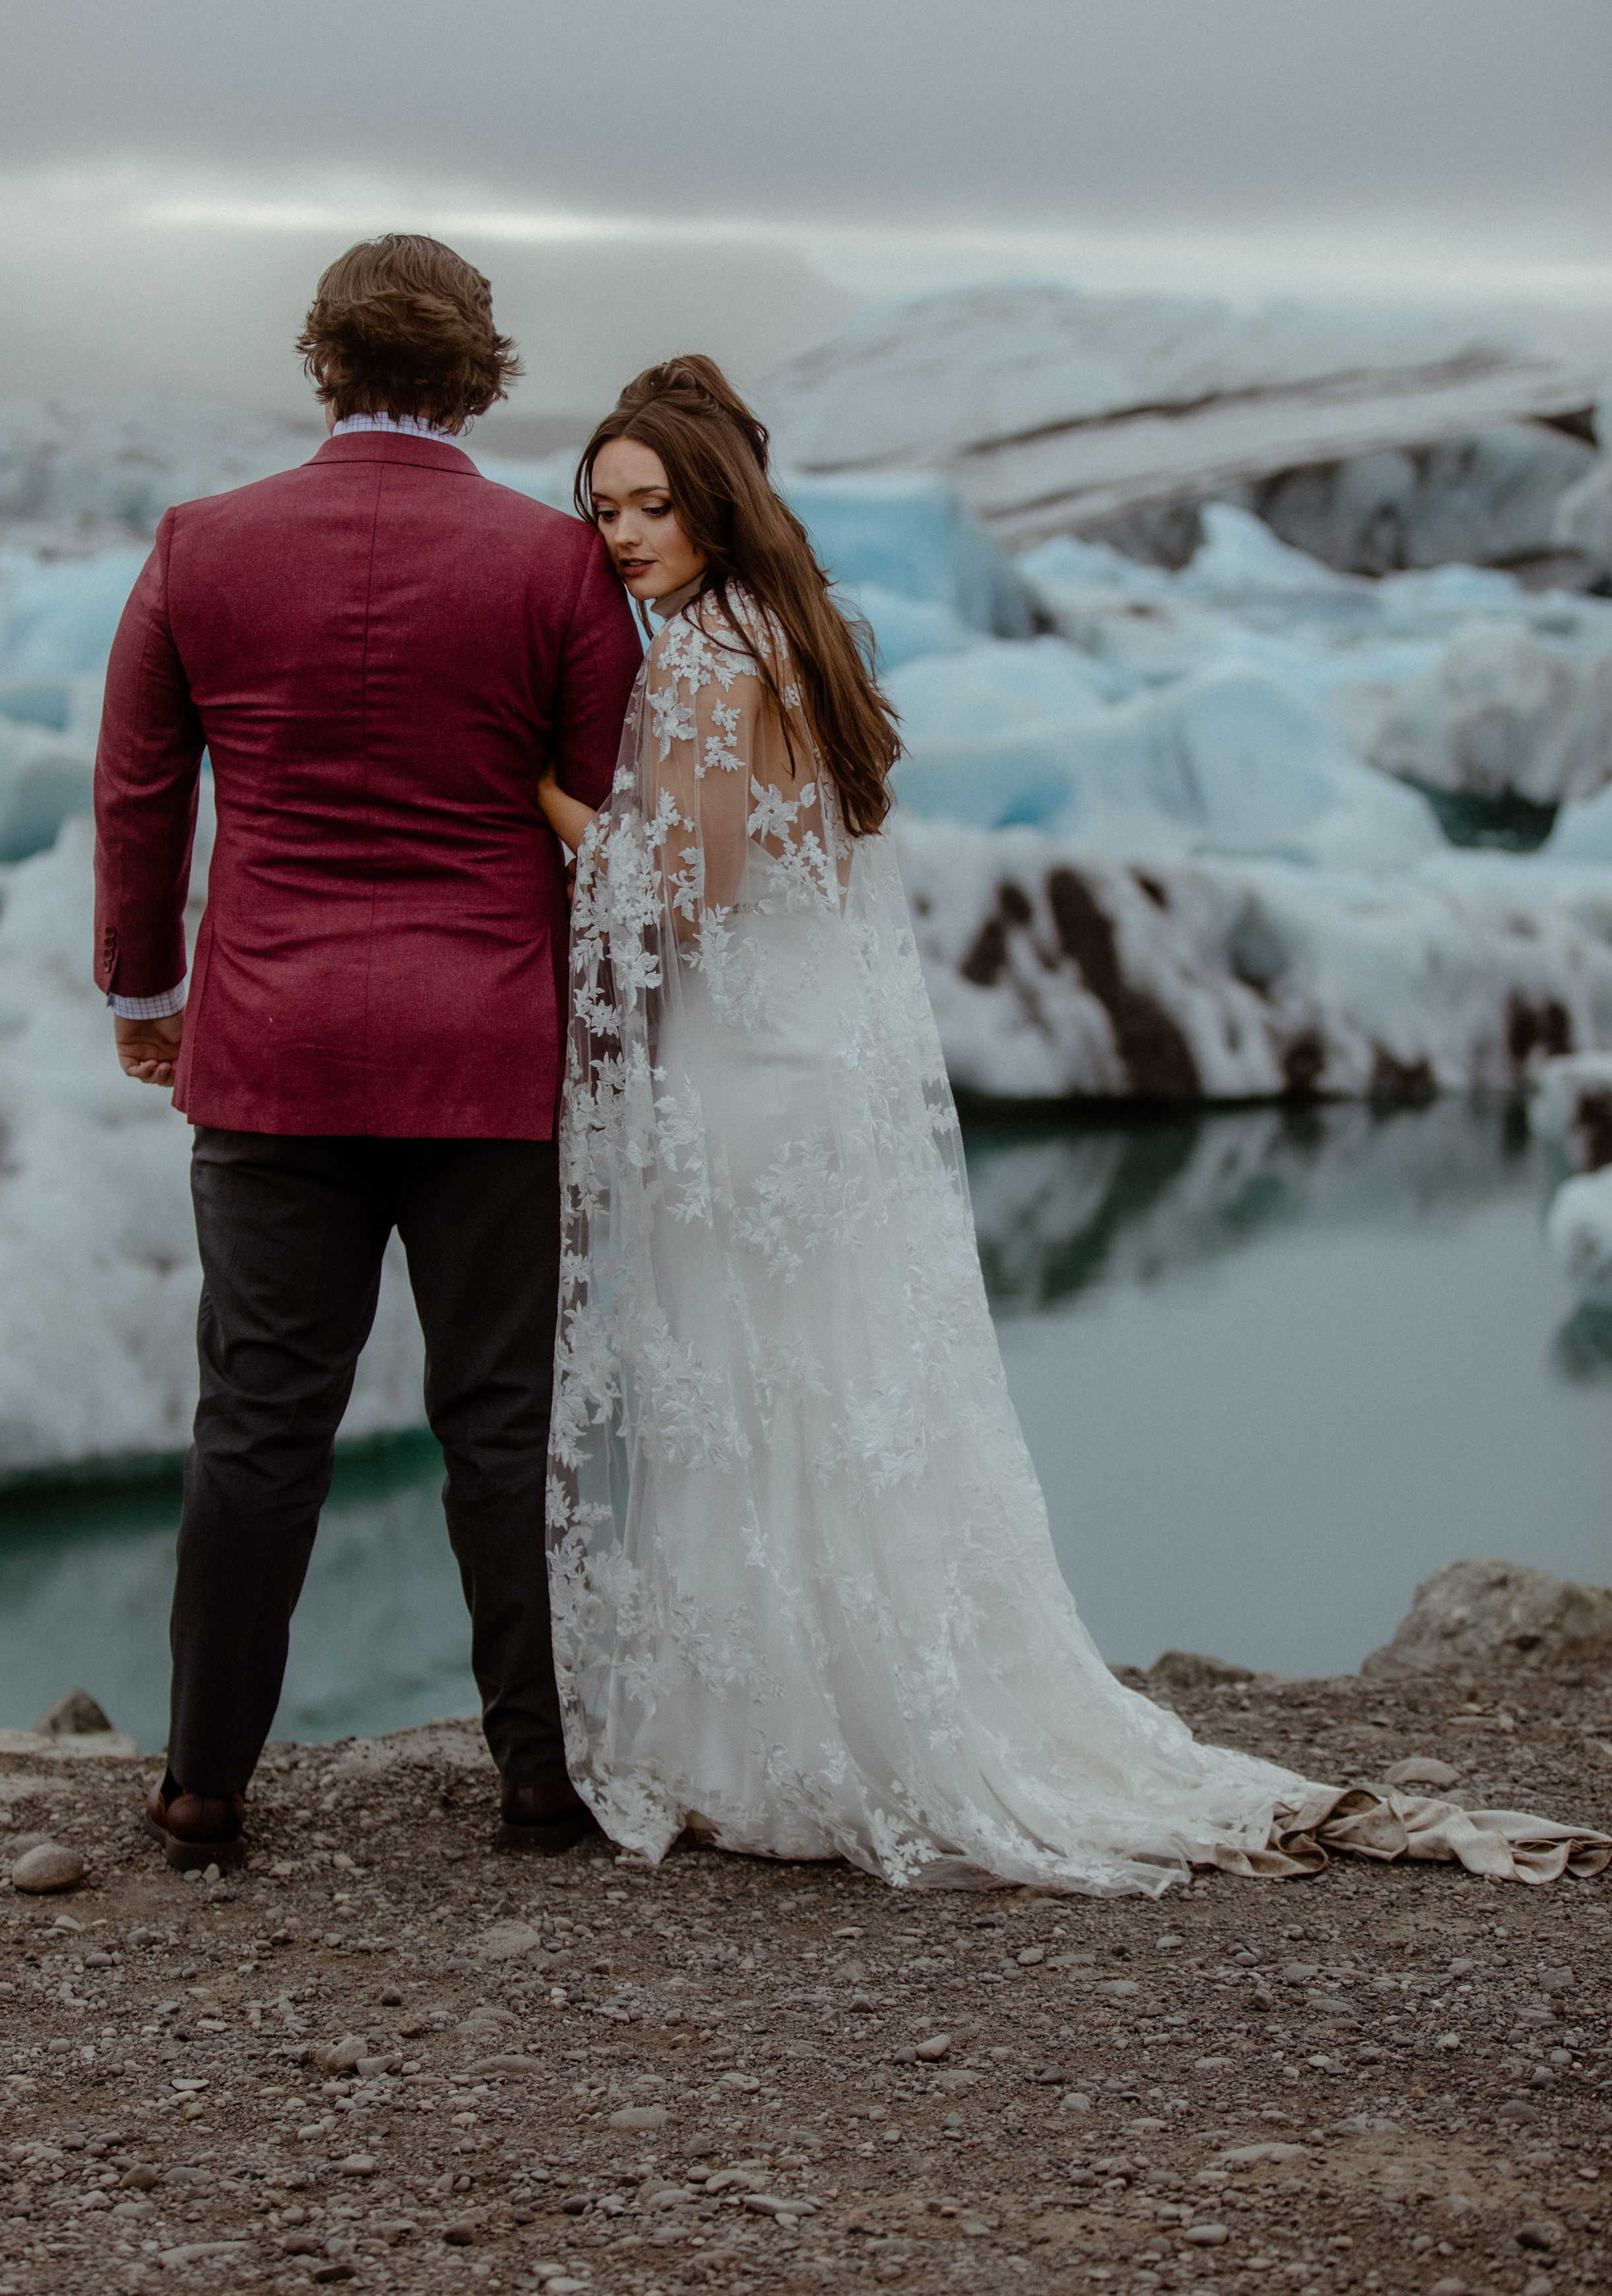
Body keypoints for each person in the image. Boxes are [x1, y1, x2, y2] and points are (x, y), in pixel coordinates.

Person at [537, 357, 1609, 1894]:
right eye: (604, 510)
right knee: (823, 1397)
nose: (623, 535)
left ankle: (771, 1742)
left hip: (747, 1086)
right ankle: (835, 1712)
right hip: (805, 1076)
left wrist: (549, 809)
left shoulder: (706, 659)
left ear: (713, 505)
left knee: (757, 1394)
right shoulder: (798, 635)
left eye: (649, 506)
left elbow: (683, 899)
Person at [94, 234, 642, 1870]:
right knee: (502, 1421)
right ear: (481, 369)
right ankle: (538, 1780)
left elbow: (138, 797)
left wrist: (146, 998)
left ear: (323, 361)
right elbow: (605, 822)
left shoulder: (201, 548)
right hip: (488, 1047)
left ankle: (201, 1788)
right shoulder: (557, 566)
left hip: (272, 1051)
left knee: (257, 1419)